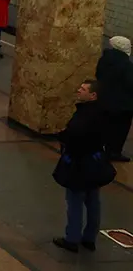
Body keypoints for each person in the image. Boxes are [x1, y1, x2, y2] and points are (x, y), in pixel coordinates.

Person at [52, 80, 116, 253]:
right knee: (93, 201)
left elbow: (75, 136)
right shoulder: (103, 113)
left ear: (93, 95)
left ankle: (72, 239)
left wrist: (64, 139)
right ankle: (89, 238)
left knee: (75, 202)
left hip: (79, 164)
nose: (79, 90)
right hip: (95, 163)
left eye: (83, 89)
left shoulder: (85, 115)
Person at [96, 36, 133, 162]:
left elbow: (98, 75)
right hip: (123, 104)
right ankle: (114, 152)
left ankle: (101, 149)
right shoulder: (127, 65)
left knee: (105, 125)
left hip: (104, 99)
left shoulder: (104, 59)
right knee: (120, 130)